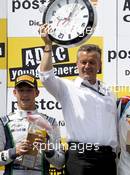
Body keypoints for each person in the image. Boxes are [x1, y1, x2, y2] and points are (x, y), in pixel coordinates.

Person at [38, 24, 118, 175]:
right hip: (79, 158)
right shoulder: (66, 87)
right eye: (83, 62)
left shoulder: (110, 93)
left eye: (92, 62)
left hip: (107, 159)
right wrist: (48, 46)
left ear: (99, 65)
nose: (87, 66)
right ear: (77, 65)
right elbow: (46, 76)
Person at [0, 74, 65, 175]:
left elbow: (60, 163)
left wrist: (48, 150)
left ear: (37, 93)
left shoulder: (50, 122)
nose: (25, 95)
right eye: (21, 90)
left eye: (29, 90)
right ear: (14, 93)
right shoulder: (4, 122)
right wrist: (14, 152)